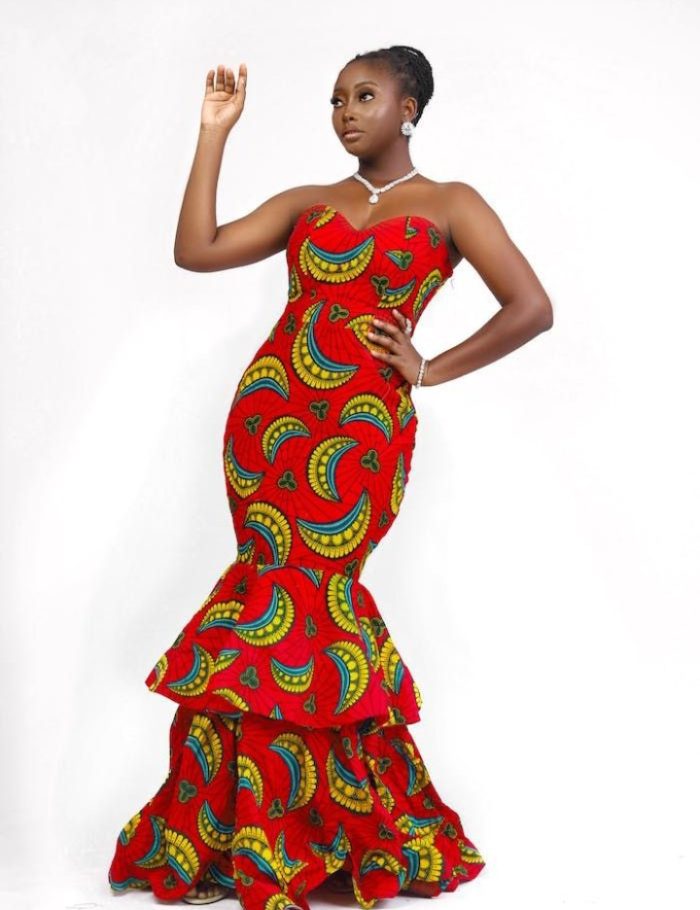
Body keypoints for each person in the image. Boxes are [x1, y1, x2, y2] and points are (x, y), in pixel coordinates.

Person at [107, 45, 553, 909]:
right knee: (268, 596)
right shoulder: (310, 202)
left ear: (409, 107)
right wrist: (214, 134)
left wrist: (428, 369)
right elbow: (196, 249)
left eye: (365, 96)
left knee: (315, 598)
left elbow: (532, 307)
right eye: (337, 99)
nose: (346, 112)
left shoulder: (452, 203)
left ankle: (320, 832)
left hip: (363, 431)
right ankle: (248, 834)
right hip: (268, 422)